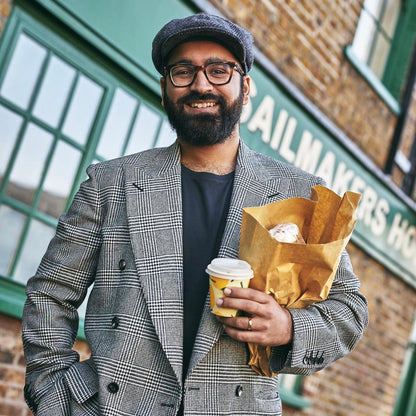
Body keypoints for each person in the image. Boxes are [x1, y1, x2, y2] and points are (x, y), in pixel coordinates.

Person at [22, 12, 369, 416]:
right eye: (183, 71)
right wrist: (53, 397)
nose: (201, 84)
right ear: (165, 87)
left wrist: (290, 328)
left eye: (219, 70)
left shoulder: (298, 192)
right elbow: (50, 293)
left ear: (246, 86)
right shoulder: (111, 182)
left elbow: (349, 308)